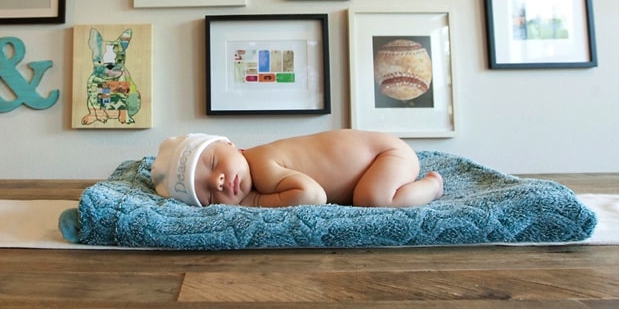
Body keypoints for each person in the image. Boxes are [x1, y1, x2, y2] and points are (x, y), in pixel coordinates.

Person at [151, 130, 443, 208]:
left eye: (214, 163)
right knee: (366, 195)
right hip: (378, 158)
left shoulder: (263, 166)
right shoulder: (254, 169)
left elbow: (313, 196)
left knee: (373, 198)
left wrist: (256, 201)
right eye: (208, 195)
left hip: (386, 155)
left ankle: (431, 186)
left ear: (231, 144)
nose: (218, 181)